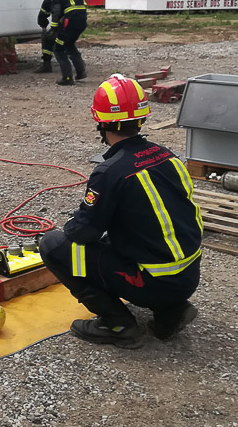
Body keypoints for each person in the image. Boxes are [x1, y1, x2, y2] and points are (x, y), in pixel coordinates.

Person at [38, 74, 203, 348]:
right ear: (141, 118)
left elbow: (83, 232)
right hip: (187, 277)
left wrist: (71, 225)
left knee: (54, 246)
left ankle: (117, 324)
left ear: (101, 122)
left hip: (153, 282)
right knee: (121, 238)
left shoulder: (110, 172)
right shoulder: (167, 156)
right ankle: (171, 310)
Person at [45, 0, 87, 86]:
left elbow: (56, 10)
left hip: (70, 21)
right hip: (82, 21)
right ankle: (81, 72)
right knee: (69, 45)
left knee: (58, 49)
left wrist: (53, 27)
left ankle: (67, 78)